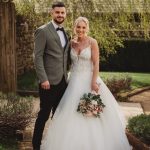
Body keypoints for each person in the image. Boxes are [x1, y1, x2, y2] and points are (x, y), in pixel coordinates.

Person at [40, 17, 132, 150]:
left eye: (83, 27)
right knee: (70, 112)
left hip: (89, 81)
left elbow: (96, 64)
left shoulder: (92, 42)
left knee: (91, 112)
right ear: (75, 28)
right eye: (78, 27)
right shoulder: (71, 43)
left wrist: (94, 82)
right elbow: (64, 61)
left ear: (87, 28)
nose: (80, 30)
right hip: (73, 82)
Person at [32, 2, 70, 150]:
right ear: (51, 13)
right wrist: (43, 79)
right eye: (57, 12)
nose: (60, 15)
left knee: (59, 115)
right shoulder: (42, 31)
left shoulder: (66, 32)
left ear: (65, 14)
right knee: (43, 115)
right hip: (48, 82)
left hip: (63, 81)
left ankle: (56, 144)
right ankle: (36, 145)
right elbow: (37, 57)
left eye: (62, 12)